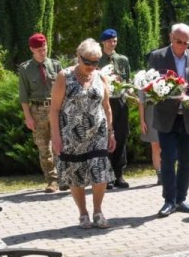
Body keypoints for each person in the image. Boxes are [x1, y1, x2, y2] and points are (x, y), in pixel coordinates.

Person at [144, 23, 189, 217]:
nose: (182, 45)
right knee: (168, 160)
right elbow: (149, 85)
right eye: (178, 41)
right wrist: (160, 93)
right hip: (167, 118)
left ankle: (182, 198)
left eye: (186, 42)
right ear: (170, 38)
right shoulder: (157, 57)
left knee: (186, 162)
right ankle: (169, 200)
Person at [50, 39, 116, 229]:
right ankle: (83, 213)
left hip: (98, 133)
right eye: (87, 62)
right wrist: (55, 136)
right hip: (72, 134)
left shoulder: (100, 77)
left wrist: (111, 132)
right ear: (78, 57)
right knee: (76, 174)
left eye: (96, 62)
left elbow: (107, 107)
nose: (91, 66)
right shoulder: (65, 76)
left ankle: (98, 211)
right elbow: (54, 109)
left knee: (100, 172)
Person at [18, 33, 61, 192]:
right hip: (37, 110)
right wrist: (28, 117)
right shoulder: (25, 69)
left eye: (45, 48)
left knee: (59, 145)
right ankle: (52, 180)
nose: (43, 52)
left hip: (56, 109)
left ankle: (63, 178)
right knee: (44, 148)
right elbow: (23, 96)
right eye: (39, 50)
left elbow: (64, 89)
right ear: (31, 49)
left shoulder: (56, 65)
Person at [97, 29, 132, 189]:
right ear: (103, 42)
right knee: (105, 137)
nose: (113, 43)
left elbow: (128, 80)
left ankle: (119, 175)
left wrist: (129, 89)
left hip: (120, 101)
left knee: (121, 136)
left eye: (115, 40)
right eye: (110, 41)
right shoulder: (97, 60)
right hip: (104, 102)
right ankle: (107, 175)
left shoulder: (122, 60)